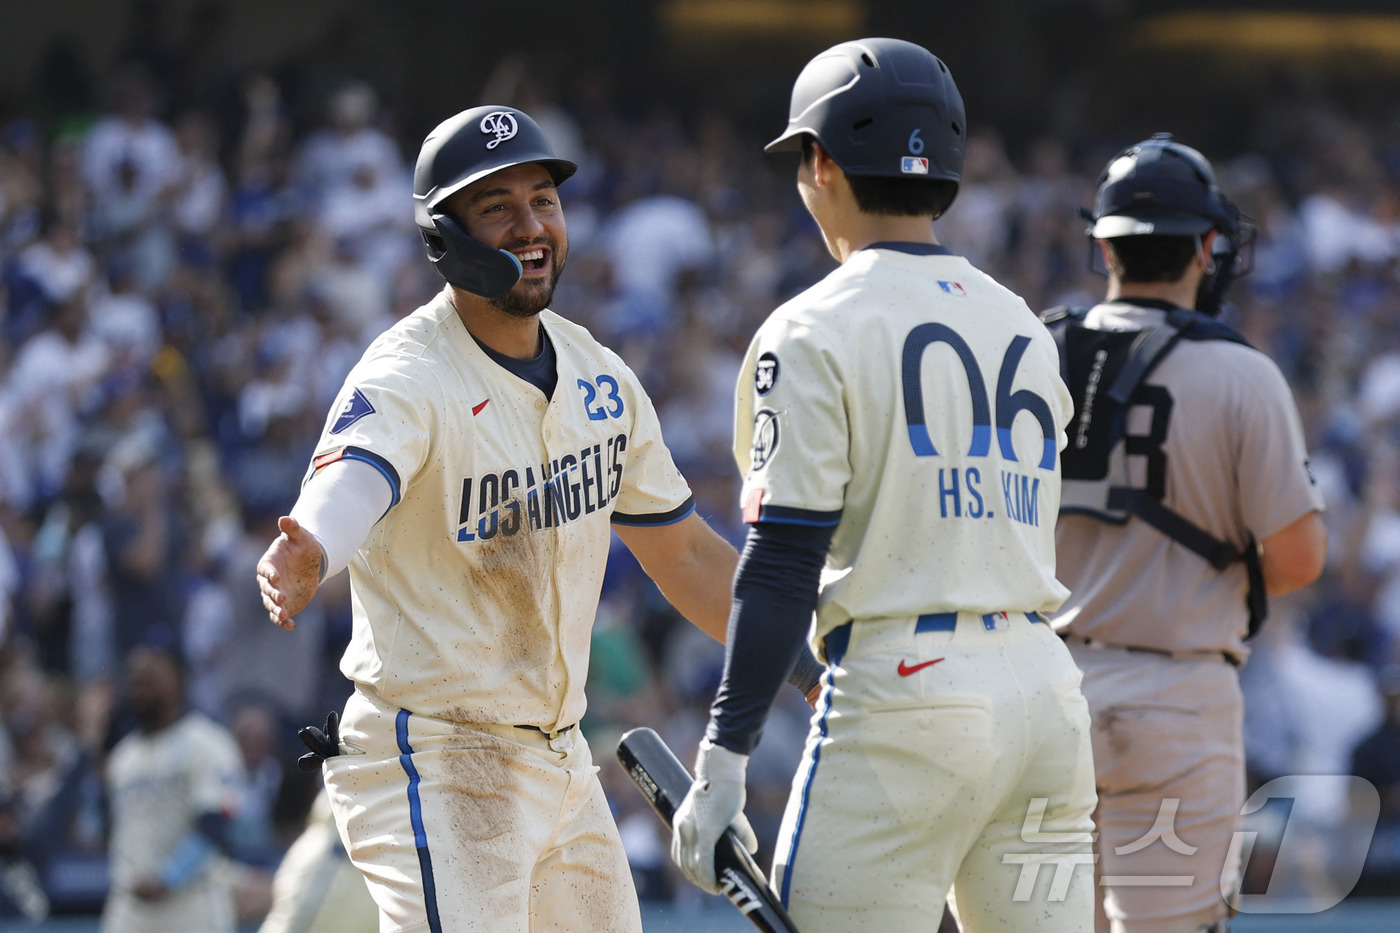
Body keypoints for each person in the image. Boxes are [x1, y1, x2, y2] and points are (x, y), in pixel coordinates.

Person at [255, 105, 765, 932]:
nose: (532, 226)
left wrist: (810, 662)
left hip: (562, 756)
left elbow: (687, 558)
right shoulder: (410, 369)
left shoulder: (601, 373)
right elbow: (351, 476)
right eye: (498, 207)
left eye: (545, 200)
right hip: (440, 755)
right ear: (443, 236)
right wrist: (312, 545)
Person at [669, 38, 1098, 931]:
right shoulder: (1019, 320)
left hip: (909, 689)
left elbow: (783, 560)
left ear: (820, 162)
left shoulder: (813, 325)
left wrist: (724, 753)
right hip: (1046, 693)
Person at [1044, 134, 1328, 932]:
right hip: (1174, 694)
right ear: (1210, 247)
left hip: (1034, 690)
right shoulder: (1240, 372)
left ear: (1102, 243)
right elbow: (1299, 558)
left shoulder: (1033, 350)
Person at [101, 642, 246, 933]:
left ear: (178, 683)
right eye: (135, 682)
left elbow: (216, 826)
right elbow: (107, 829)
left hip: (190, 905)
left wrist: (168, 879)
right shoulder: (122, 757)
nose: (140, 689)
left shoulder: (207, 743)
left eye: (150, 680)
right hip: (130, 907)